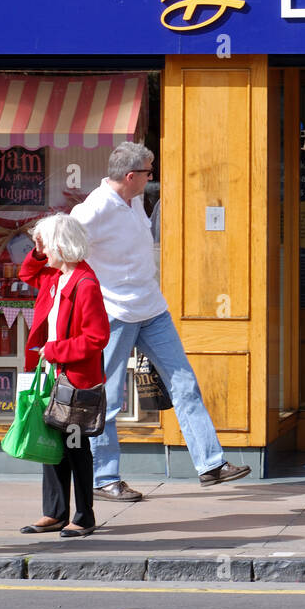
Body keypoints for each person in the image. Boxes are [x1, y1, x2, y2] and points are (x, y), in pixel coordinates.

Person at [72, 142, 250, 499]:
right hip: (115, 313)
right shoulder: (94, 208)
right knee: (107, 396)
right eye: (149, 173)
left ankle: (210, 464)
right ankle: (104, 478)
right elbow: (56, 241)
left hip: (152, 309)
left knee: (184, 382)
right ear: (131, 176)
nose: (153, 178)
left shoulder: (135, 200)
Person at [18, 214, 111, 538]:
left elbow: (97, 337)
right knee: (52, 444)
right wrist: (39, 250)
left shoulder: (85, 283)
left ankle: (84, 515)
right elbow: (26, 271)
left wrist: (56, 350)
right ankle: (55, 513)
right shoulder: (55, 276)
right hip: (53, 376)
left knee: (75, 446)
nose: (40, 249)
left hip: (75, 380)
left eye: (44, 243)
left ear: (60, 244)